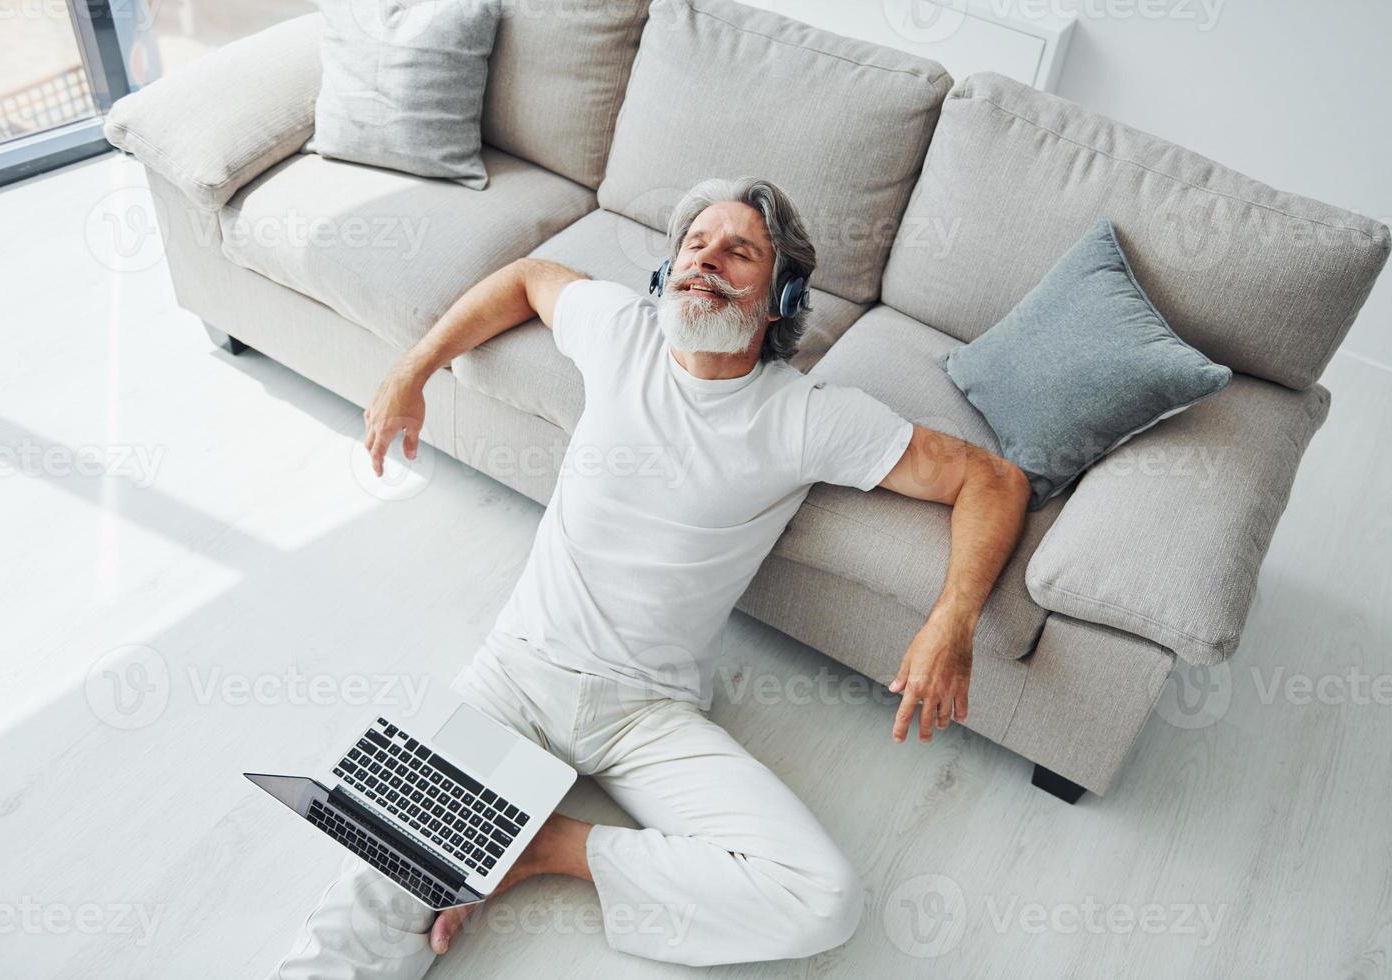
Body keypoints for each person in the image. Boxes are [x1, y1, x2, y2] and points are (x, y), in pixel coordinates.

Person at [269, 176, 1029, 977]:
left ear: (779, 298)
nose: (706, 260)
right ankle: (482, 841)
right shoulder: (621, 331)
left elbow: (992, 480)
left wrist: (951, 623)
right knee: (372, 889)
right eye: (694, 244)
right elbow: (528, 278)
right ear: (667, 275)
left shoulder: (805, 415)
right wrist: (413, 367)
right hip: (517, 672)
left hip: (648, 716)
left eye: (739, 252)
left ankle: (535, 847)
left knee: (824, 898)